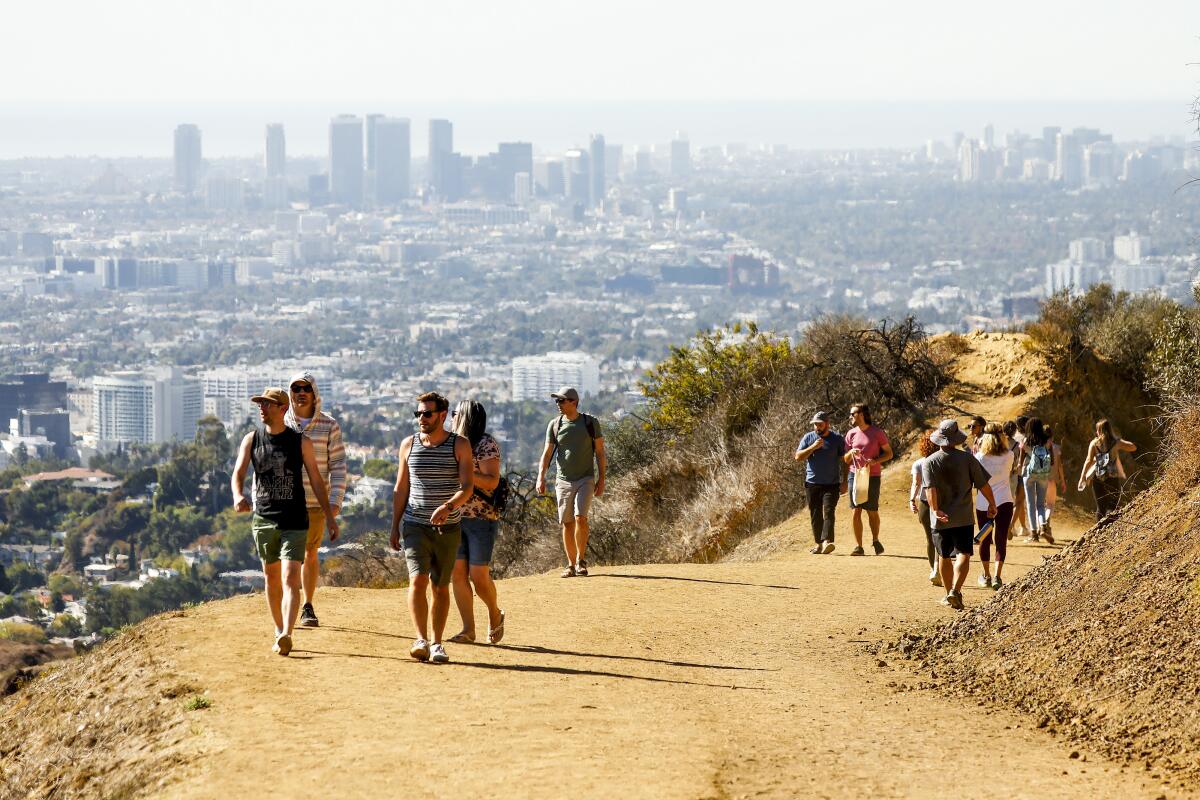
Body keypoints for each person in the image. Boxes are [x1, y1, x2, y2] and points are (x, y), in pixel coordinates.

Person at [231, 387, 339, 656]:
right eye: (261, 404)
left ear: (282, 410)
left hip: (294, 519)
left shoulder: (300, 442)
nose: (262, 408)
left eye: (268, 404)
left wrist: (329, 515)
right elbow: (238, 473)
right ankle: (278, 629)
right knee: (271, 577)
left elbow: (316, 479)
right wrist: (237, 495)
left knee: (291, 578)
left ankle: (287, 634)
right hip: (264, 518)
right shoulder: (251, 439)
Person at [390, 392, 474, 664]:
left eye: (427, 413)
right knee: (417, 581)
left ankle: (437, 642)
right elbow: (401, 488)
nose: (421, 419)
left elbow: (467, 487)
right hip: (414, 525)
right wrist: (394, 525)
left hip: (448, 528)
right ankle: (420, 639)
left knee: (440, 587)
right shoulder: (408, 445)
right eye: (418, 414)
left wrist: (448, 507)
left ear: (442, 415)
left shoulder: (459, 445)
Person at [285, 371, 347, 628]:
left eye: (306, 388)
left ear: (314, 393)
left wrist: (334, 502)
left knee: (310, 554)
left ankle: (307, 605)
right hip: (285, 503)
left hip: (315, 503)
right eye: (296, 388)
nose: (301, 392)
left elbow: (339, 465)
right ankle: (288, 603)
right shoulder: (282, 423)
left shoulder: (329, 424)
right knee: (287, 558)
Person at [447, 400, 506, 645]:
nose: (451, 417)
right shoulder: (451, 443)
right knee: (458, 574)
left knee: (479, 575)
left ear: (465, 417)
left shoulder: (485, 443)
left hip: (481, 518)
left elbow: (492, 482)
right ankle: (468, 629)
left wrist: (465, 469)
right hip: (455, 516)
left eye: (455, 413)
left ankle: (494, 612)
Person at [922, 419, 997, 610]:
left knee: (944, 556)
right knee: (964, 553)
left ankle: (949, 594)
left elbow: (930, 489)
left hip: (940, 519)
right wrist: (992, 503)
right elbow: (983, 484)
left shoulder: (929, 462)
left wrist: (935, 509)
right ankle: (956, 590)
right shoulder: (968, 459)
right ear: (956, 438)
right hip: (963, 516)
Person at [536, 387, 607, 577]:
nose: (558, 404)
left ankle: (580, 561)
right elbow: (547, 453)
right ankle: (570, 564)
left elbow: (600, 452)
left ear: (573, 402)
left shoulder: (590, 423)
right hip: (563, 481)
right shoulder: (555, 424)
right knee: (567, 523)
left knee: (580, 518)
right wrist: (540, 477)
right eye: (557, 401)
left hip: (586, 478)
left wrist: (602, 479)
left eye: (561, 401)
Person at [794, 411, 847, 554]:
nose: (817, 427)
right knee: (815, 514)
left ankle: (827, 542)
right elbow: (798, 457)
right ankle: (818, 544)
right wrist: (813, 447)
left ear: (827, 424)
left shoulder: (837, 439)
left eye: (820, 424)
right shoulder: (808, 438)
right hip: (812, 483)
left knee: (829, 511)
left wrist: (845, 481)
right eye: (815, 424)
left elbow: (844, 461)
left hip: (832, 484)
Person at [842, 403, 892, 555]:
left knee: (871, 510)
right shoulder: (850, 434)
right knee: (856, 510)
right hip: (854, 475)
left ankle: (875, 540)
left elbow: (889, 453)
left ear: (862, 414)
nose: (850, 417)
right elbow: (845, 459)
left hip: (872, 476)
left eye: (853, 414)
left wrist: (875, 461)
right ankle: (859, 546)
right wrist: (851, 452)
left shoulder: (877, 432)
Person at [973, 423, 1015, 589]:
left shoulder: (979, 458)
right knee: (1001, 538)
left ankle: (986, 575)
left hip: (984, 503)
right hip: (1005, 500)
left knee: (985, 538)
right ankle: (997, 576)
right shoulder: (1010, 455)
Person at [1078, 419, 1137, 520]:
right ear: (1110, 429)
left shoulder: (1094, 443)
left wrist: (1082, 477)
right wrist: (1119, 442)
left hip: (1098, 478)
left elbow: (1088, 461)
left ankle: (1098, 532)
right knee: (1112, 506)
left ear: (1098, 430)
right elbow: (1133, 447)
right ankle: (1109, 527)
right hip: (1112, 478)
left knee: (1101, 508)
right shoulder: (1115, 442)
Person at [907, 430, 940, 586]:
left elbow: (916, 483)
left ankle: (934, 569)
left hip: (925, 503)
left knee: (930, 538)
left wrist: (912, 499)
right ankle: (940, 567)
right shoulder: (943, 460)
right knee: (941, 537)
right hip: (943, 502)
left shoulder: (919, 463)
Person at [1016, 417, 1054, 544]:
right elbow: (1052, 460)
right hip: (1043, 474)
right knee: (1040, 504)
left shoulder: (1026, 440)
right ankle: (1043, 525)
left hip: (1029, 473)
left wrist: (1019, 467)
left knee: (1031, 504)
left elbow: (1020, 460)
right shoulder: (1046, 440)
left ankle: (1034, 534)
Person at [1041, 424, 1068, 541]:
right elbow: (1060, 466)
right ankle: (1046, 523)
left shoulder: (1037, 448)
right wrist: (1062, 481)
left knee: (1040, 505)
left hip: (1039, 480)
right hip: (1051, 481)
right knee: (1050, 505)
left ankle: (1043, 526)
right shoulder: (1056, 448)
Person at [1003, 420, 1028, 539]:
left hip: (1000, 475)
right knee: (1011, 501)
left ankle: (1002, 526)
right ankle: (1009, 526)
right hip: (1013, 475)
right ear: (1014, 431)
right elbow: (1019, 461)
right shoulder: (1017, 445)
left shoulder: (999, 443)